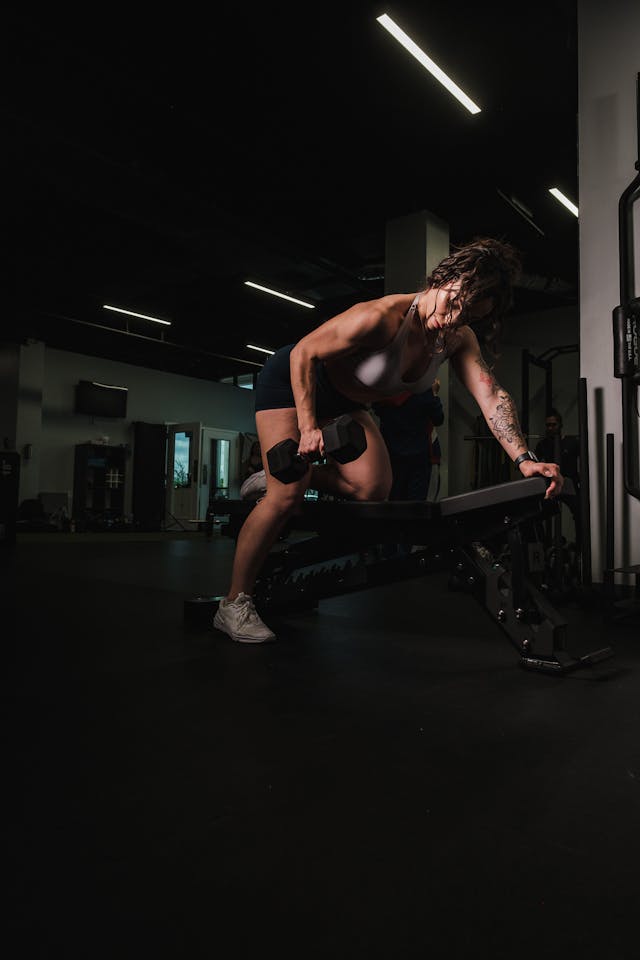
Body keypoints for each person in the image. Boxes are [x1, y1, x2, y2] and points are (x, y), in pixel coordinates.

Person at [214, 236, 564, 644]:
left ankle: (284, 477)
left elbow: (491, 395)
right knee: (285, 498)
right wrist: (308, 428)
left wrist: (525, 459)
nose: (454, 318)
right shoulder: (381, 317)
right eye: (453, 304)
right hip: (293, 384)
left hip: (345, 401)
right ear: (443, 278)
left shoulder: (456, 338)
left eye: (469, 313)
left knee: (372, 488)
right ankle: (233, 603)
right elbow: (303, 355)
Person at [374, 378, 444, 501]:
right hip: (420, 456)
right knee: (417, 505)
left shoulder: (385, 391)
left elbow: (377, 409)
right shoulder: (423, 389)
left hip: (392, 455)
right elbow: (438, 418)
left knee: (395, 501)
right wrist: (434, 393)